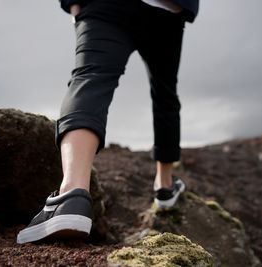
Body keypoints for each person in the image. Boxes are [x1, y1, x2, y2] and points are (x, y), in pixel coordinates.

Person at [17, 0, 199, 244]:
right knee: (165, 95)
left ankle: (71, 196)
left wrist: (72, 3)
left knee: (91, 78)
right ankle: (165, 187)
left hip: (103, 5)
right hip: (167, 10)